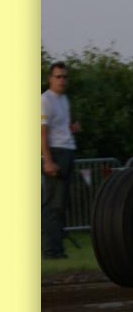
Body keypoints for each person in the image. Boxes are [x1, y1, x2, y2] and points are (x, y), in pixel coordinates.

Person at [41, 61, 80, 259]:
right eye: (58, 77)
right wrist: (47, 161)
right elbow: (42, 132)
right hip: (55, 153)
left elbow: (60, 126)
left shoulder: (64, 100)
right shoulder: (45, 100)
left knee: (61, 204)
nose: (62, 80)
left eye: (65, 77)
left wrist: (72, 129)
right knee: (52, 205)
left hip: (67, 150)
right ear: (50, 78)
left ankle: (58, 248)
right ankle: (51, 250)